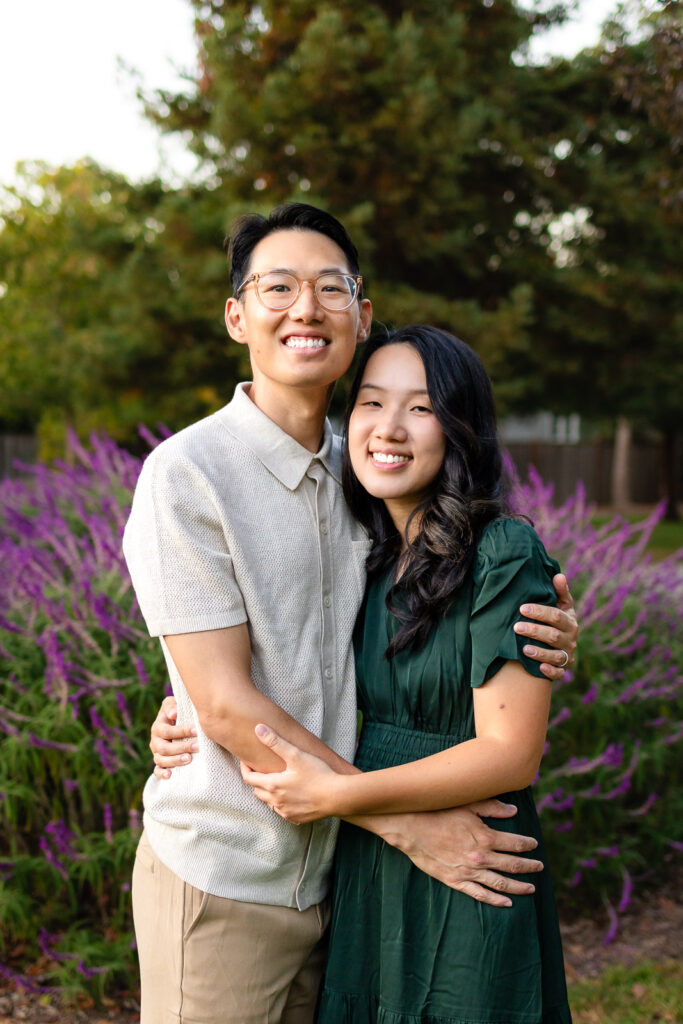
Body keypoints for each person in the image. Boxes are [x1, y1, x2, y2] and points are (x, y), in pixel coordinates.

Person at [127, 203, 577, 1024]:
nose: (305, 307)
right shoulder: (186, 474)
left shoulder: (362, 479)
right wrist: (402, 822)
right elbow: (224, 702)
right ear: (237, 316)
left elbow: (434, 613)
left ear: (359, 314)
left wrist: (539, 612)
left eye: (328, 287)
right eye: (277, 287)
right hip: (235, 877)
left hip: (348, 879)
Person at [240, 326, 573, 1023]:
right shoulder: (365, 553)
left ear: (459, 428)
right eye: (369, 402)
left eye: (420, 408)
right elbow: (281, 661)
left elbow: (509, 752)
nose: (388, 428)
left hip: (471, 847)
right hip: (378, 853)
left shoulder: (503, 550)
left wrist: (336, 794)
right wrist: (181, 707)